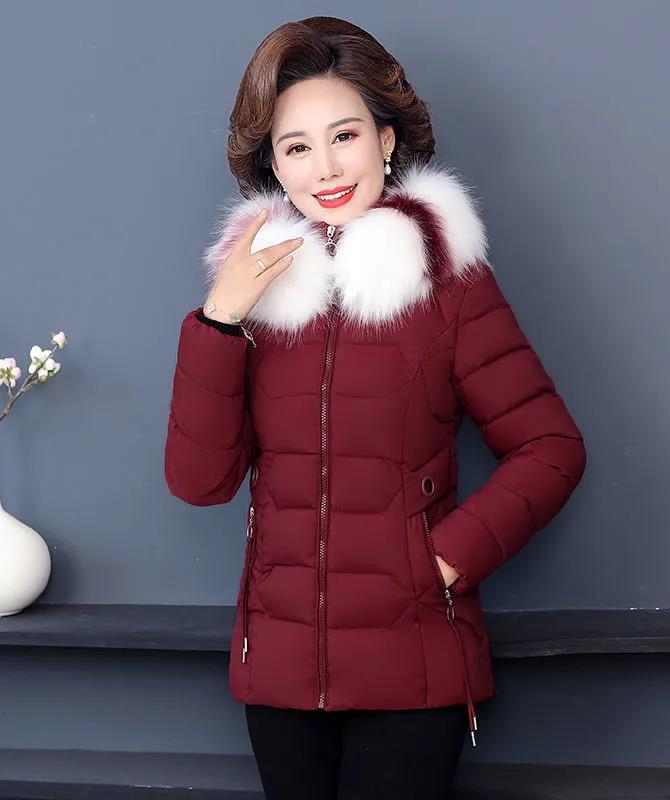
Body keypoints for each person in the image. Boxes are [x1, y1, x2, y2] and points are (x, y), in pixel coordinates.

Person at [164, 15, 587, 800]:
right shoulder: (254, 295)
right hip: (279, 673)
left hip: (414, 664)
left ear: (386, 140)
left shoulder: (448, 283)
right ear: (273, 165)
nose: (325, 167)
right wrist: (219, 320)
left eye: (345, 136)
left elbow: (551, 447)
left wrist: (442, 560)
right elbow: (200, 482)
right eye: (297, 147)